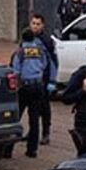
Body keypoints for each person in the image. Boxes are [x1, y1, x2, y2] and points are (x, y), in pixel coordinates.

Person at [7, 28, 56, 158]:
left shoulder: (19, 52)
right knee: (34, 120)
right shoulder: (40, 50)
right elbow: (46, 65)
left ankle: (7, 150)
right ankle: (32, 150)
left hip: (24, 87)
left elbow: (15, 71)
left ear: (22, 39)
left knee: (15, 118)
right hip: (38, 86)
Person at [28, 12, 57, 145]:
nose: (35, 26)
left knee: (44, 108)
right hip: (29, 80)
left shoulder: (47, 41)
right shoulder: (26, 38)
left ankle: (46, 133)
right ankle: (32, 132)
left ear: (43, 25)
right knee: (31, 109)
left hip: (43, 80)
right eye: (33, 23)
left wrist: (52, 80)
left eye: (38, 24)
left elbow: (53, 62)